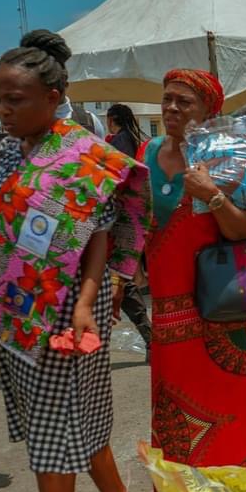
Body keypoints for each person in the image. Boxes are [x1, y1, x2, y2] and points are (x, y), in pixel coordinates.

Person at [0, 30, 149, 492]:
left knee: (52, 430)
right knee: (67, 415)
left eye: (13, 99)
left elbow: (100, 239)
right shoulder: (11, 152)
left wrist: (86, 303)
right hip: (15, 304)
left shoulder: (85, 154)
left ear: (53, 98)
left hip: (67, 308)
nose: (0, 110)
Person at [144, 69, 246, 470]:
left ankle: (233, 485)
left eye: (184, 101)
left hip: (219, 307)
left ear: (209, 111)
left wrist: (212, 196)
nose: (171, 107)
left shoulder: (227, 155)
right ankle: (183, 491)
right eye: (167, 98)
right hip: (165, 308)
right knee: (172, 396)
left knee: (227, 399)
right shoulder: (147, 152)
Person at [106, 104, 152, 360]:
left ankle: (151, 338)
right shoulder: (137, 139)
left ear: (112, 119)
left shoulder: (118, 143)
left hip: (118, 219)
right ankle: (150, 338)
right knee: (124, 279)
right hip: (136, 214)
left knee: (120, 279)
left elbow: (116, 179)